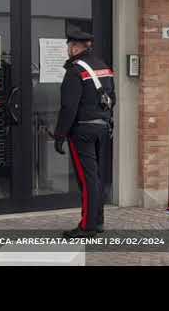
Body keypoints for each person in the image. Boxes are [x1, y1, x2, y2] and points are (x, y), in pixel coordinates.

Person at [53, 29, 116, 239]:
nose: (69, 50)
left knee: (87, 179)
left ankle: (87, 226)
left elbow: (68, 107)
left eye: (69, 46)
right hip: (102, 128)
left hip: (82, 131)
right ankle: (97, 221)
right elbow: (112, 98)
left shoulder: (74, 71)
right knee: (95, 177)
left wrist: (60, 135)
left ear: (75, 47)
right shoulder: (103, 66)